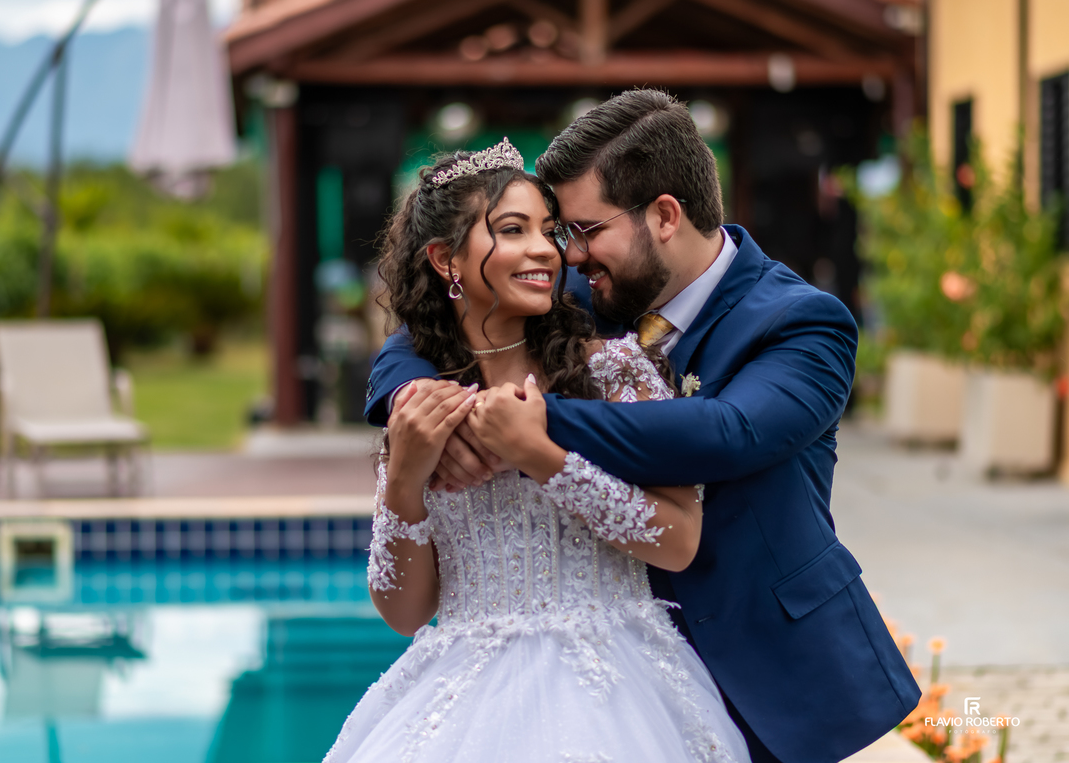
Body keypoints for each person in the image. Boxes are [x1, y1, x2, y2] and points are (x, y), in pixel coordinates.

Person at [365, 91, 922, 763]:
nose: (564, 254)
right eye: (545, 230)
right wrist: (414, 413)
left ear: (663, 216)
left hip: (761, 664)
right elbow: (435, 332)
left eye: (581, 229)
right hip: (561, 686)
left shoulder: (802, 321)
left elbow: (727, 432)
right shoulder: (574, 297)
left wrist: (527, 426)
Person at [325, 140, 752, 763]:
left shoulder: (615, 371)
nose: (545, 251)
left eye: (549, 232)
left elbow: (681, 539)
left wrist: (543, 457)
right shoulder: (419, 403)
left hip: (622, 689)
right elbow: (405, 611)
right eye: (512, 229)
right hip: (461, 698)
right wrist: (404, 485)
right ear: (446, 259)